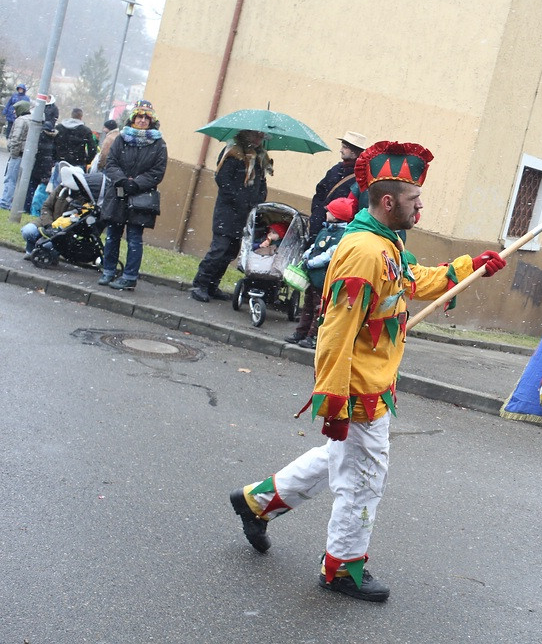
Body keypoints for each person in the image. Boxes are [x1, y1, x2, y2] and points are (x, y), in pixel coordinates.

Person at [229, 140, 507, 601]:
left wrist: (467, 268)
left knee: (340, 460)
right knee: (364, 477)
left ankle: (257, 502)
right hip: (357, 389)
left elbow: (411, 284)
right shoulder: (363, 252)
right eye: (415, 200)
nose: (421, 208)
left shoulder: (387, 244)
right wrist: (333, 402)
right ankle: (341, 569)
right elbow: (335, 332)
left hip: (373, 384)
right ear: (387, 201)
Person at [190, 129, 272, 302]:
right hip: (228, 211)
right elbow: (223, 180)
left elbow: (261, 183)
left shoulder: (259, 158)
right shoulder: (233, 152)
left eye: (261, 136)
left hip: (246, 214)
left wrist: (258, 200)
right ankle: (200, 284)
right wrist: (240, 200)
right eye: (256, 135)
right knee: (219, 249)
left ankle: (212, 285)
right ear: (246, 133)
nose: (259, 139)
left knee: (230, 252)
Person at [98, 100, 168, 290]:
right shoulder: (120, 139)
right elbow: (111, 163)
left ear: (152, 121)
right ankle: (108, 270)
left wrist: (136, 184)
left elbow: (157, 172)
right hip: (118, 194)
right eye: (139, 116)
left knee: (134, 239)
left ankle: (129, 277)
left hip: (140, 198)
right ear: (133, 118)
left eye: (147, 117)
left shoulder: (159, 144)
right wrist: (122, 180)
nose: (143, 120)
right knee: (112, 235)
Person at [284, 196, 351, 349]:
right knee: (308, 305)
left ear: (336, 216)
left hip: (324, 278)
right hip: (314, 277)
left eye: (329, 211)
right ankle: (301, 332)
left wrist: (312, 262)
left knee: (319, 309)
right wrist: (307, 254)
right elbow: (316, 247)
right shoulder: (325, 229)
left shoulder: (342, 236)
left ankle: (313, 336)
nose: (326, 213)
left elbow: (329, 255)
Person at [20, 165, 98, 257]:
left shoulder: (83, 197)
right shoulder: (61, 189)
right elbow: (46, 206)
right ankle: (31, 251)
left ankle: (49, 255)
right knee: (28, 231)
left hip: (63, 230)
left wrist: (58, 229)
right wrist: (49, 224)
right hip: (47, 221)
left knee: (49, 245)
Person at [308, 131, 366, 238]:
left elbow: (356, 206)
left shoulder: (361, 176)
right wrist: (317, 212)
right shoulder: (336, 169)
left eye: (344, 147)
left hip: (337, 231)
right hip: (319, 224)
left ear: (354, 152)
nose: (341, 150)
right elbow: (320, 190)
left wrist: (338, 217)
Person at [24, 95, 60, 212]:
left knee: (31, 186)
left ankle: (27, 207)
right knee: (43, 189)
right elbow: (55, 152)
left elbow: (35, 150)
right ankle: (39, 210)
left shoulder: (39, 136)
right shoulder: (54, 138)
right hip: (47, 166)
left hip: (37, 164)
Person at [52, 108, 98, 186]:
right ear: (81, 117)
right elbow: (92, 148)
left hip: (61, 161)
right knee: (76, 187)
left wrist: (54, 157)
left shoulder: (60, 127)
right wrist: (87, 160)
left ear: (71, 115)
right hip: (78, 163)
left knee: (57, 187)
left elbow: (54, 144)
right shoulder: (85, 130)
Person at [0, 100, 32, 210]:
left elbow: (16, 139)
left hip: (17, 155)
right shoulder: (32, 120)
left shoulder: (20, 120)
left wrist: (13, 153)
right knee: (20, 182)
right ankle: (16, 205)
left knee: (10, 179)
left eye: (15, 110)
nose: (14, 112)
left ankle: (5, 203)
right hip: (27, 156)